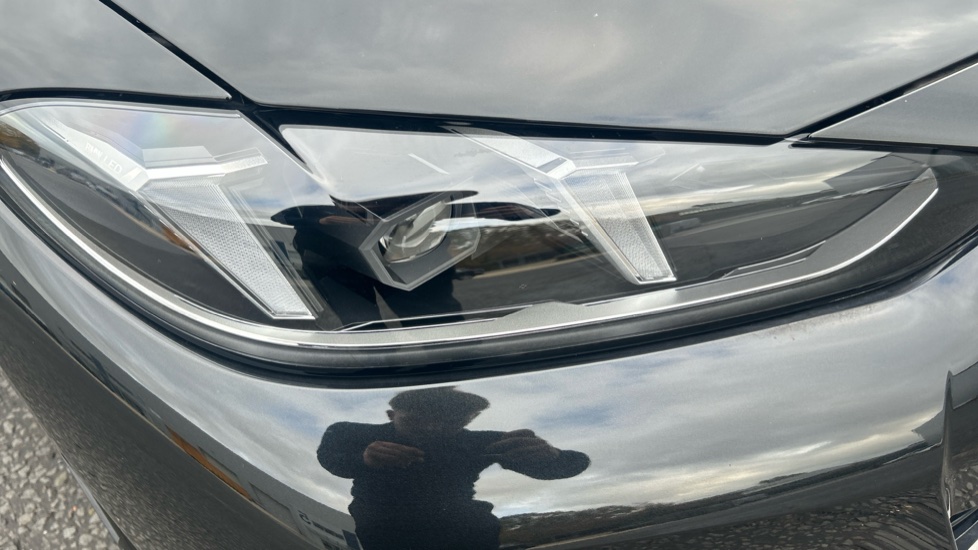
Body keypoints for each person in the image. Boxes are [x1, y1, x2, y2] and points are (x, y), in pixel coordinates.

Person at [317, 387, 590, 550]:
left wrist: (548, 456)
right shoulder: (352, 433)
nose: (432, 428)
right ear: (391, 416)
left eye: (451, 422)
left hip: (464, 530)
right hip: (386, 529)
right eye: (416, 420)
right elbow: (330, 458)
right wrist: (363, 458)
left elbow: (573, 463)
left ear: (469, 420)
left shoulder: (479, 442)